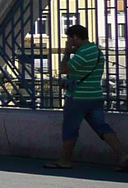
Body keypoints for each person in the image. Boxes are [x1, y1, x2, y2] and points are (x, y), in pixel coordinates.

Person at [48, 24, 128, 171]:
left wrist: (67, 52)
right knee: (102, 127)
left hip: (78, 98)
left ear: (75, 37)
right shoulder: (96, 51)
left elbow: (64, 69)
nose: (68, 41)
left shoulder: (83, 53)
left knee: (70, 129)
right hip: (95, 96)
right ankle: (123, 156)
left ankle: (64, 160)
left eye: (69, 38)